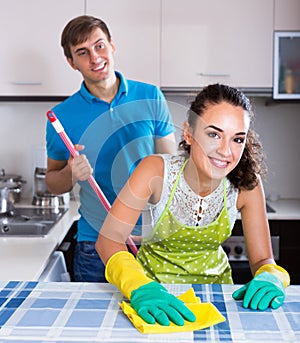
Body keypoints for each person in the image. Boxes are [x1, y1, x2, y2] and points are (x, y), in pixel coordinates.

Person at [96, 83, 290, 326]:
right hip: (152, 297)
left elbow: (263, 260)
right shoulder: (155, 170)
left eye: (237, 139)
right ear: (188, 133)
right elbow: (108, 239)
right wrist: (137, 286)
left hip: (217, 302)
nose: (225, 151)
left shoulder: (247, 184)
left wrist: (271, 276)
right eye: (213, 134)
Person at [45, 15, 177, 282]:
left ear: (112, 45)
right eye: (83, 52)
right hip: (95, 245)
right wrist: (70, 172)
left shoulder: (150, 96)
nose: (95, 57)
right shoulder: (62, 116)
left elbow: (171, 168)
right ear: (72, 62)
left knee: (158, 320)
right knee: (94, 324)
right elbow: (53, 183)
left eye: (99, 46)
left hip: (150, 242)